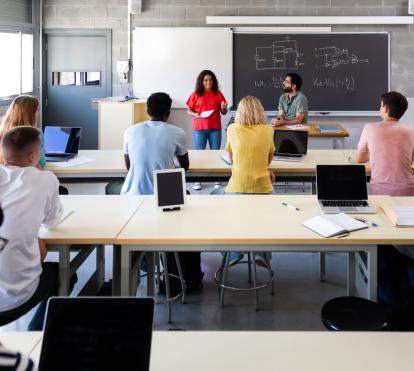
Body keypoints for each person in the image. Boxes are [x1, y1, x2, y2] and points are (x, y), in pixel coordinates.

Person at [0, 127, 75, 331]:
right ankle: (37, 334)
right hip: (14, 299)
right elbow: (51, 222)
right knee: (66, 274)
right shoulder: (45, 179)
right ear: (34, 155)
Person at [356, 91, 414, 329]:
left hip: (381, 194)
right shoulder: (411, 130)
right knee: (405, 241)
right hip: (409, 193)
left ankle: (385, 295)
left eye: (381, 106)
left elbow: (360, 159)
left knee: (380, 241)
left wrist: (376, 158)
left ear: (385, 109)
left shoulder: (371, 128)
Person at [224, 96, 275, 267]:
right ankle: (262, 254)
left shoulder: (232, 129)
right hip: (263, 187)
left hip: (237, 186)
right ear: (260, 111)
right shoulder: (268, 129)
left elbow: (232, 160)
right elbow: (269, 157)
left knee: (222, 209)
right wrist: (263, 169)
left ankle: (233, 253)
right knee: (264, 219)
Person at [121, 92, 189, 195]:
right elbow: (184, 167)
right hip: (163, 197)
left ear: (147, 111)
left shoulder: (129, 131)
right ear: (168, 113)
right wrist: (173, 158)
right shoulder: (178, 132)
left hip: (131, 195)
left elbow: (129, 166)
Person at [186, 70, 228, 190]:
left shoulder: (218, 94)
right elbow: (188, 110)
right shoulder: (196, 94)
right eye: (205, 80)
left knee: (215, 154)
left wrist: (224, 108)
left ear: (213, 81)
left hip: (215, 128)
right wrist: (194, 114)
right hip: (199, 128)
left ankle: (216, 179)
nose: (208, 82)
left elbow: (223, 112)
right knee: (200, 155)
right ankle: (198, 180)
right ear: (201, 81)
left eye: (210, 80)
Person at [0, 95, 45, 168]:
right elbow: (41, 162)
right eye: (37, 110)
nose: (38, 113)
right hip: (29, 176)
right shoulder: (35, 134)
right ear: (31, 114)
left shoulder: (2, 131)